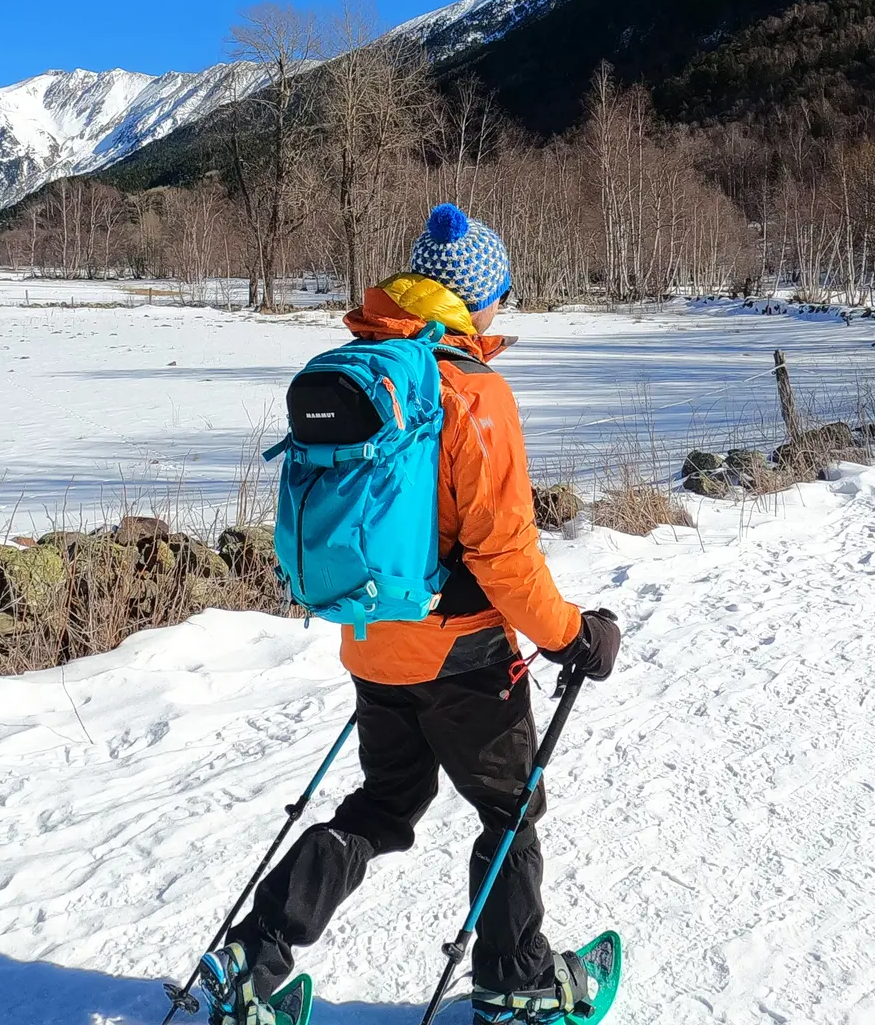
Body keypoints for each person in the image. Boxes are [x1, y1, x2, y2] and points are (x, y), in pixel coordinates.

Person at [210, 204, 623, 1024]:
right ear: (478, 300)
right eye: (498, 294)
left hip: (370, 642)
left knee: (384, 805)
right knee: (508, 812)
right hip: (464, 656)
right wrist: (573, 634)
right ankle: (518, 984)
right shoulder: (471, 393)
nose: (500, 308)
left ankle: (255, 955)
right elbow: (503, 557)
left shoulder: (364, 366)